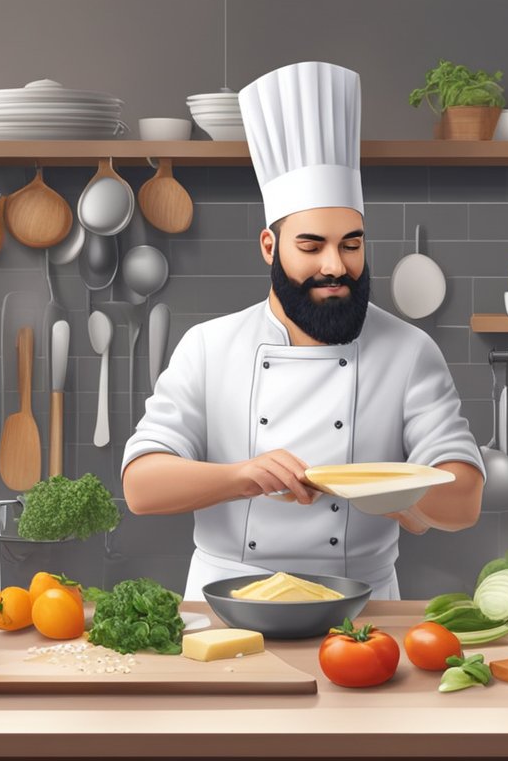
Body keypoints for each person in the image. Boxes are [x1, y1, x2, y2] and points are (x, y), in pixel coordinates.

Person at [121, 62, 484, 600]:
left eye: (352, 244)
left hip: (361, 609)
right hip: (225, 603)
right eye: (312, 246)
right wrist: (245, 476)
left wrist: (397, 494)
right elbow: (141, 486)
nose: (335, 265)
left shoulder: (408, 351)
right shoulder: (209, 346)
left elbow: (465, 500)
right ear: (270, 247)